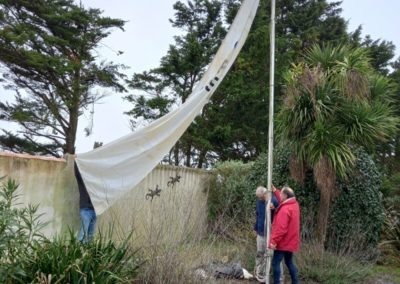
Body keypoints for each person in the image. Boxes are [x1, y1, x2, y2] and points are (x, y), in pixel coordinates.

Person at [269, 185, 300, 284]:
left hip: (283, 242)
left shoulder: (285, 210)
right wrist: (275, 191)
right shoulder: (294, 204)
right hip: (291, 241)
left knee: (275, 263)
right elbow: (283, 201)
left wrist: (273, 241)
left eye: (281, 193)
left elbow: (280, 229)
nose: (280, 195)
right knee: (289, 262)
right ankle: (296, 282)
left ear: (285, 196)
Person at [254, 186, 279, 283]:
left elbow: (280, 210)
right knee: (260, 253)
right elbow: (258, 215)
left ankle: (269, 275)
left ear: (265, 194)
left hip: (271, 233)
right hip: (260, 233)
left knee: (270, 255)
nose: (259, 199)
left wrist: (274, 207)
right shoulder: (258, 201)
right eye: (258, 197)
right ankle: (259, 275)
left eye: (260, 197)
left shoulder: (273, 200)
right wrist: (256, 227)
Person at [74, 161, 96, 243]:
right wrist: (76, 160)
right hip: (85, 209)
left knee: (90, 235)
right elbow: (77, 174)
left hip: (95, 210)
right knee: (83, 233)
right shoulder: (83, 181)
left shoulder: (96, 182)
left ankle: (88, 253)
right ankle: (80, 252)